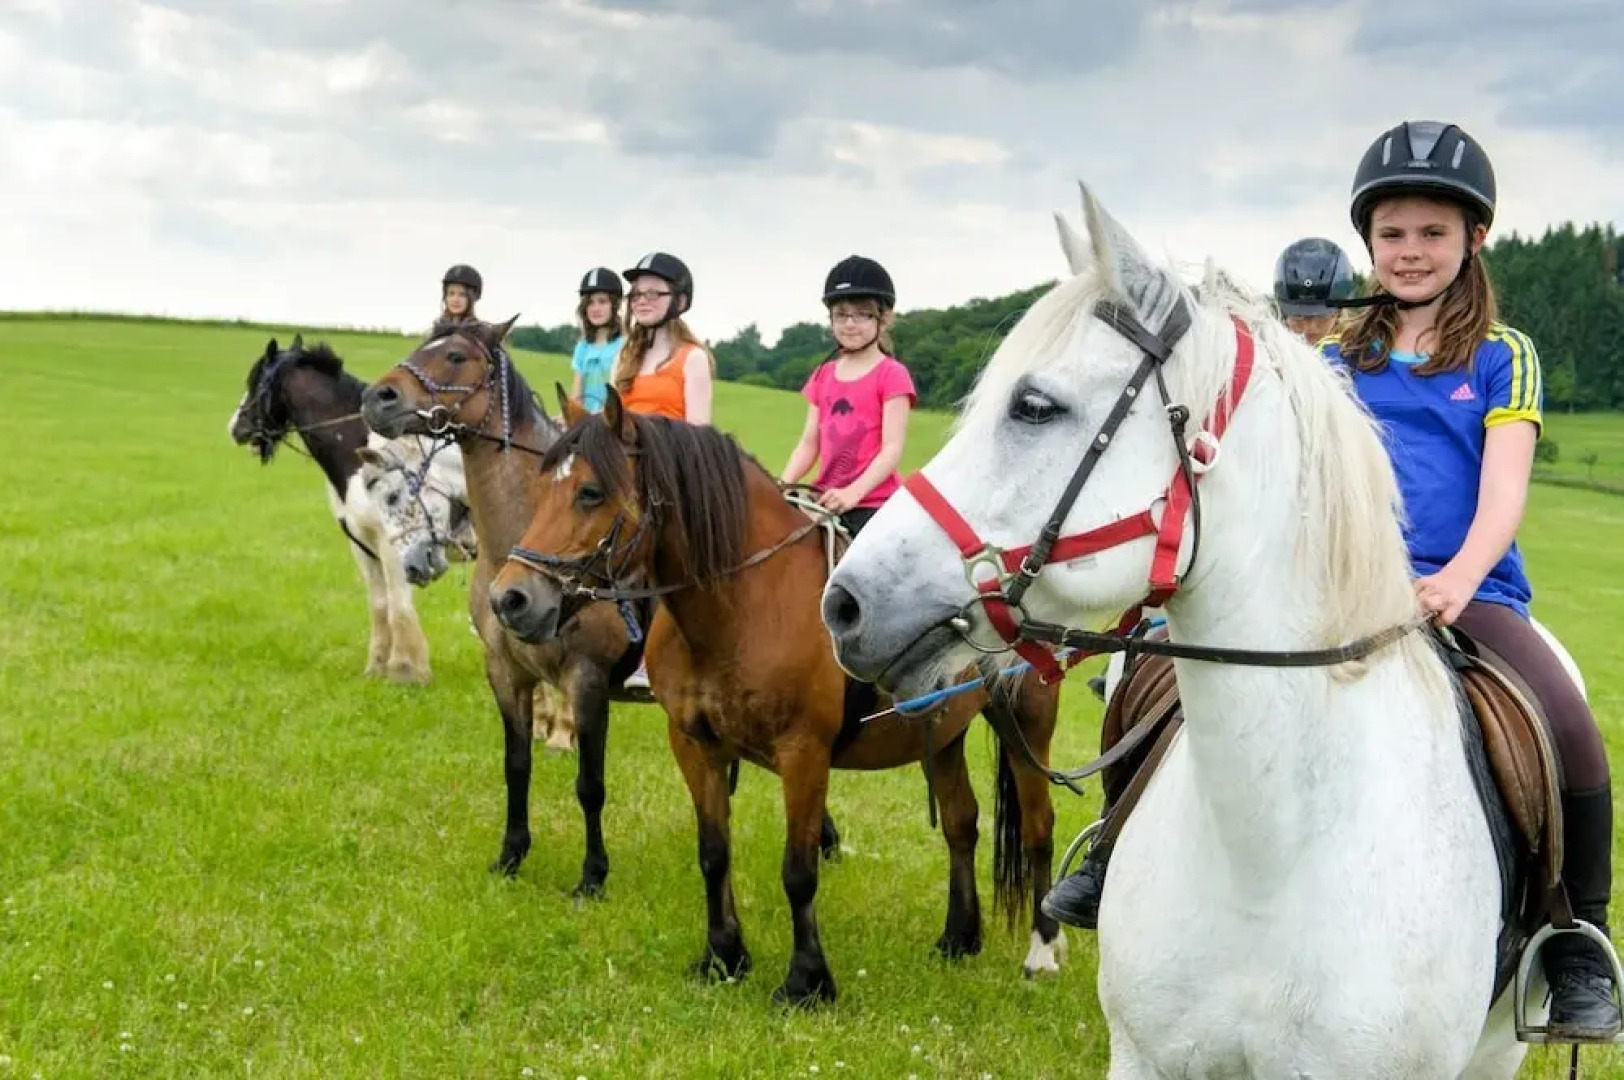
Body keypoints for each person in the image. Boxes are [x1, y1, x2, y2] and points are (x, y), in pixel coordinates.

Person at [1045, 119, 1621, 1042]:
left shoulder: (1504, 354)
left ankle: (1578, 940)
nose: (1410, 252)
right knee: (1153, 671)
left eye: (1433, 233)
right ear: (1369, 242)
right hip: (1335, 588)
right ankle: (1116, 850)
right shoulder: (1331, 355)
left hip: (1464, 594)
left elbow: (1502, 494)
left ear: (1475, 239)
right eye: (1392, 234)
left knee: (1565, 723)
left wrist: (1459, 581)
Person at [779, 255, 916, 537]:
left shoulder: (892, 375)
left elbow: (891, 448)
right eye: (841, 314)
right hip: (824, 500)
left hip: (873, 503)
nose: (850, 323)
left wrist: (854, 492)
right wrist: (782, 484)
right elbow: (808, 444)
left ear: (885, 318)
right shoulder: (823, 375)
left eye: (862, 314)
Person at [612, 252, 714, 426]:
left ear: (679, 302)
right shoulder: (624, 357)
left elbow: (698, 435)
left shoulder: (693, 358)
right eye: (636, 294)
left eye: (653, 294)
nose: (641, 301)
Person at [1272, 237, 1355, 345]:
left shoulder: (1362, 356)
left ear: (1339, 312)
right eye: (1297, 316)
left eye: (1321, 316)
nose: (1309, 326)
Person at [570, 267, 625, 415]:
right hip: (587, 424)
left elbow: (623, 394)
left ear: (615, 305)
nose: (595, 308)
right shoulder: (582, 348)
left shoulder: (625, 345)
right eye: (590, 302)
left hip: (614, 422)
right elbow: (577, 396)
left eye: (602, 301)